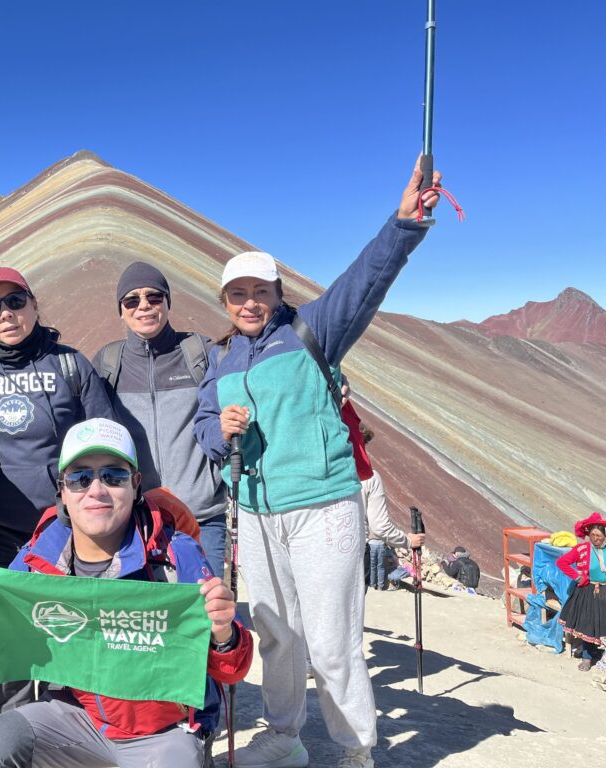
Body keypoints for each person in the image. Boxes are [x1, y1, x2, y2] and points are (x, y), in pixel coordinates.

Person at [194, 159, 443, 768]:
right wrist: (216, 429)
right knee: (278, 635)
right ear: (224, 301)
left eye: (261, 291)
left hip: (323, 506)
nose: (250, 303)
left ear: (279, 295)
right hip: (253, 512)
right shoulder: (220, 363)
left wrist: (404, 224)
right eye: (238, 294)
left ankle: (355, 749)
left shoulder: (313, 332)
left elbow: (366, 280)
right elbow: (203, 428)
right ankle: (285, 737)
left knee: (333, 643)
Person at [0, 418, 253, 767]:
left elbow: (231, 670)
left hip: (162, 733)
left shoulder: (175, 553)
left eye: (113, 476)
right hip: (72, 721)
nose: (96, 490)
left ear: (136, 484)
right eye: (80, 478)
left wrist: (223, 633)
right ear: (62, 490)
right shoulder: (40, 555)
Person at [0, 266, 113, 715]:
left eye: (16, 301)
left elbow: (103, 442)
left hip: (66, 534)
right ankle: (16, 743)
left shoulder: (70, 364)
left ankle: (69, 744)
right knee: (8, 650)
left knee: (68, 643)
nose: (6, 314)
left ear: (34, 304)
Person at [93, 262, 228, 577]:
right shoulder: (108, 363)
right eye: (132, 300)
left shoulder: (200, 352)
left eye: (154, 297)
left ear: (168, 303)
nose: (144, 306)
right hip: (135, 522)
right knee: (145, 622)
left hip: (202, 517)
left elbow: (249, 378)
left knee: (203, 619)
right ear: (121, 310)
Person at [358, 424, 425, 590]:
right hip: (355, 552)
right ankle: (379, 585)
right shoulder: (370, 478)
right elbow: (380, 526)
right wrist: (408, 541)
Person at [556, 512, 606, 672]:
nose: (596, 539)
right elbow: (562, 562)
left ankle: (601, 656)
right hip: (588, 591)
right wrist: (578, 577)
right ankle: (587, 658)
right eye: (592, 535)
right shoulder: (583, 549)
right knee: (588, 625)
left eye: (599, 535)